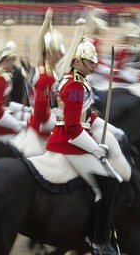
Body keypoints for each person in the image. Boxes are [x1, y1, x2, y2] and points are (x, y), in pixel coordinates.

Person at [47, 19, 121, 255]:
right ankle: (99, 242)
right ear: (77, 61)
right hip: (69, 143)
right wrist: (96, 148)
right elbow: (73, 128)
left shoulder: (74, 80)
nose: (93, 65)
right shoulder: (76, 86)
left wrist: (99, 122)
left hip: (68, 137)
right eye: (89, 61)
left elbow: (83, 115)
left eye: (94, 61)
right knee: (107, 184)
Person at [27, 8, 65, 137]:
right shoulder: (47, 76)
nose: (60, 55)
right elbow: (41, 112)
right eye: (57, 52)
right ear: (49, 53)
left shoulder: (45, 66)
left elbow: (41, 42)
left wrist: (47, 21)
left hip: (46, 116)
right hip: (42, 124)